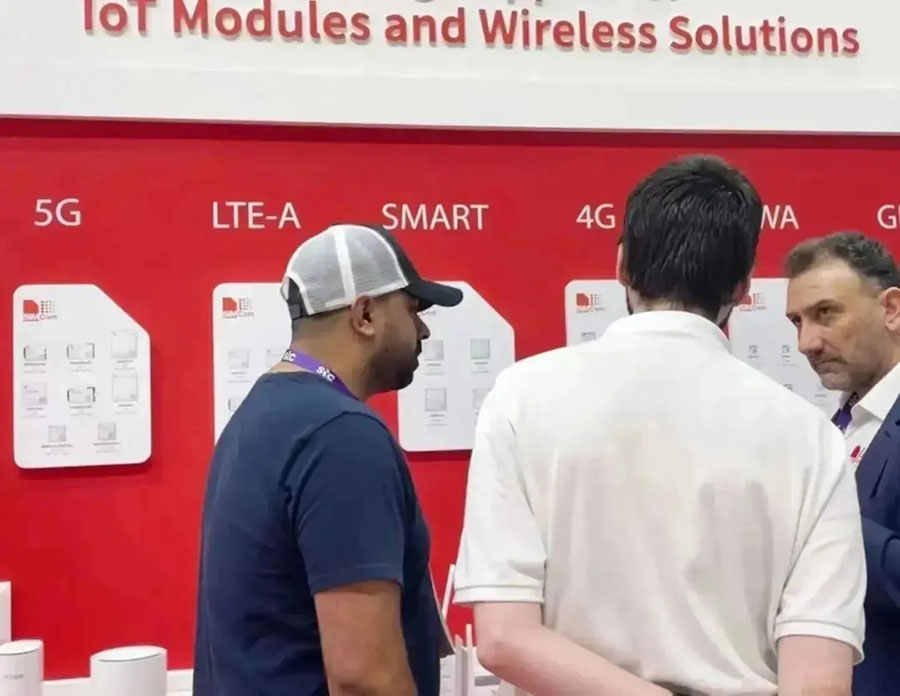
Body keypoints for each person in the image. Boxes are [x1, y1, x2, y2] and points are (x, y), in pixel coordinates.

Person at [453, 155, 866, 696]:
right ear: (743, 288)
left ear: (622, 266)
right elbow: (818, 679)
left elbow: (505, 638)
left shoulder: (520, 397)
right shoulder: (811, 438)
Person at [193, 223, 462, 696]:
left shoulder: (257, 416)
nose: (422, 329)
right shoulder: (341, 435)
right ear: (365, 315)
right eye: (412, 309)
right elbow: (364, 678)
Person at [785, 231, 900, 696]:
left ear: (891, 309)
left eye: (826, 314)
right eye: (796, 322)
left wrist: (822, 520)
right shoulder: (835, 426)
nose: (806, 342)